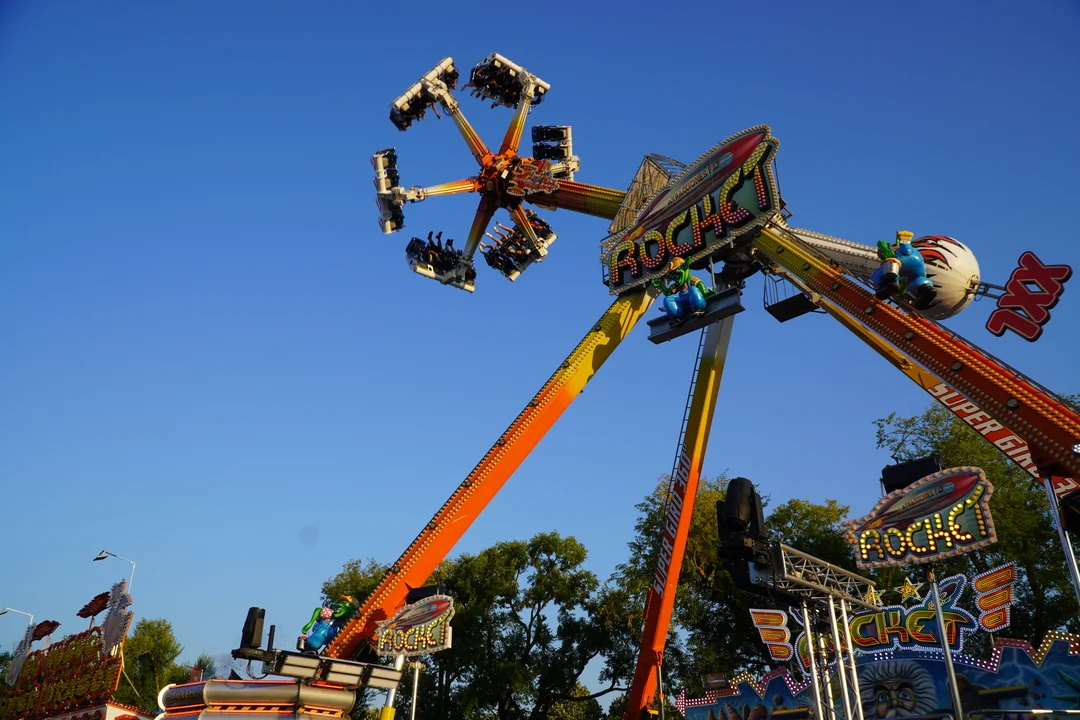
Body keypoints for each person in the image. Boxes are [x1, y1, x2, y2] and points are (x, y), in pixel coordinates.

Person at [871, 230, 936, 309]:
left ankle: (889, 282)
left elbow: (881, 243)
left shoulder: (892, 249)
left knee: (880, 272)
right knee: (917, 279)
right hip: (917, 263)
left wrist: (886, 251)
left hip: (898, 261)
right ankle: (925, 288)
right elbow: (903, 287)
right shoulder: (913, 251)